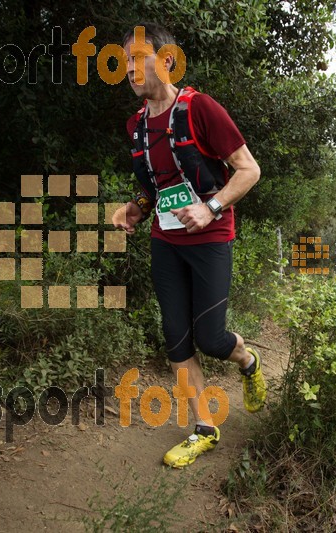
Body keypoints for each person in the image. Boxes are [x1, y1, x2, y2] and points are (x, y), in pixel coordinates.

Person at [112, 22, 266, 468]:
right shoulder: (137, 126)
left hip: (211, 238)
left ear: (166, 60)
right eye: (124, 61)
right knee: (176, 338)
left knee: (213, 338)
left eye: (138, 57)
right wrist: (134, 208)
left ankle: (248, 361)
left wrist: (211, 207)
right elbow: (152, 188)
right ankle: (204, 428)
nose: (130, 68)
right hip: (165, 240)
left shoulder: (201, 109)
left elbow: (248, 170)